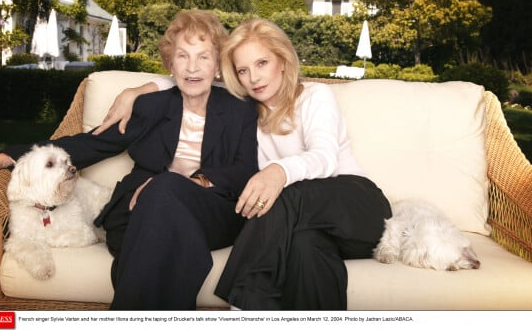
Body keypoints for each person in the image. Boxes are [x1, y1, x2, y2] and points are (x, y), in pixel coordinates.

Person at [0, 10, 259, 310]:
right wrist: (5, 156)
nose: (192, 67)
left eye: (203, 57)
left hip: (210, 213)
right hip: (137, 212)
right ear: (171, 63)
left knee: (164, 190)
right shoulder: (150, 107)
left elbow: (245, 168)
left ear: (218, 65)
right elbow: (91, 143)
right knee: (161, 219)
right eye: (183, 56)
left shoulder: (240, 110)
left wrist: (185, 183)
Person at [95, 18, 392, 310]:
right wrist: (135, 91)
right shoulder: (245, 114)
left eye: (262, 63)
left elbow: (326, 158)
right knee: (306, 253)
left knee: (279, 194)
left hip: (357, 209)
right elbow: (189, 78)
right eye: (243, 70)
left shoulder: (315, 96)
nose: (255, 78)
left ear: (284, 61)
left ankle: (246, 301)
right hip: (305, 228)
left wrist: (278, 172)